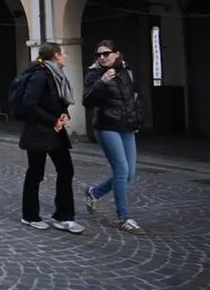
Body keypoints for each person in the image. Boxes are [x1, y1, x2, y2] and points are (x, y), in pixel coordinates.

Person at [19, 42, 84, 234]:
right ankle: (30, 215)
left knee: (66, 170)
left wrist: (64, 114)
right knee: (36, 173)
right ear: (55, 55)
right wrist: (52, 120)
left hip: (55, 132)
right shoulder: (40, 75)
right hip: (38, 131)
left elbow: (56, 100)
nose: (66, 56)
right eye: (64, 53)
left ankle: (64, 217)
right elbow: (29, 104)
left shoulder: (56, 75)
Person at [82, 40, 146, 235]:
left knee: (130, 173)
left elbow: (134, 97)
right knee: (121, 169)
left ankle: (94, 192)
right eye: (98, 55)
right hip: (106, 125)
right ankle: (123, 218)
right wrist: (102, 82)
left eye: (106, 53)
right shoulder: (94, 74)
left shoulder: (127, 70)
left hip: (127, 125)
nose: (102, 57)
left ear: (117, 54)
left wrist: (137, 121)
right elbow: (87, 100)